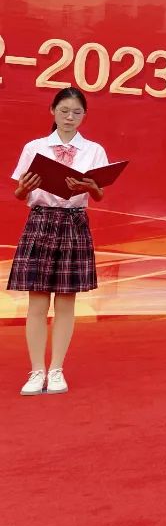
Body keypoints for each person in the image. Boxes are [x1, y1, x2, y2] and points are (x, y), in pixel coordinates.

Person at [11, 87, 109, 397]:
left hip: (74, 223)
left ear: (84, 116)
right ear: (52, 111)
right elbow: (19, 193)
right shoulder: (34, 147)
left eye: (77, 112)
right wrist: (23, 188)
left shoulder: (94, 150)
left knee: (66, 301)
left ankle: (56, 370)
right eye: (64, 110)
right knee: (38, 301)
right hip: (40, 221)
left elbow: (99, 194)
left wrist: (91, 186)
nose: (70, 117)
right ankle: (36, 370)